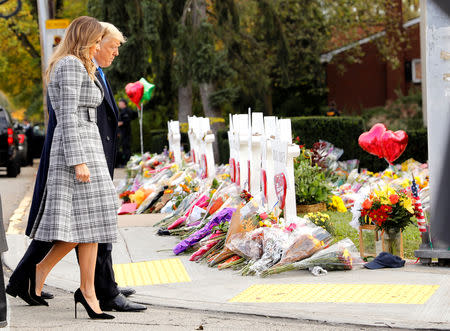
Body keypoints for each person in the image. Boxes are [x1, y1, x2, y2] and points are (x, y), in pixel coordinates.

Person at [6, 21, 146, 313]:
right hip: (78, 152)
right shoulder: (69, 65)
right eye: (96, 41)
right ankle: (56, 278)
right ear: (83, 39)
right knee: (77, 226)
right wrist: (78, 160)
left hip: (89, 147)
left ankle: (85, 289)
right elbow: (67, 117)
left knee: (92, 224)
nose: (98, 47)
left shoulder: (81, 65)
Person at [117, 99, 137, 166]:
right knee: (124, 147)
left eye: (120, 103)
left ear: (123, 103)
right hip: (123, 132)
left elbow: (128, 120)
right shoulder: (123, 111)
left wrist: (120, 123)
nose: (119, 104)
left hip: (126, 132)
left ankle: (127, 162)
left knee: (126, 147)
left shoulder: (127, 110)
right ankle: (125, 161)